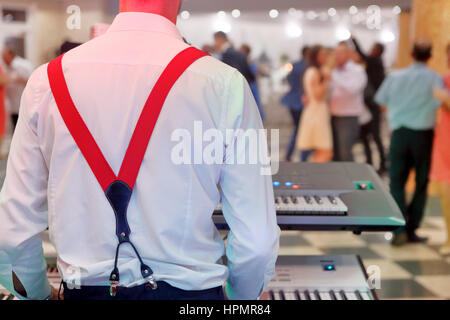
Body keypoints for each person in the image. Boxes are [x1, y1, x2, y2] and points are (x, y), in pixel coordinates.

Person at [0, 0, 279, 300]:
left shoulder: (47, 81)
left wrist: (37, 294)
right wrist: (241, 297)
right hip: (192, 297)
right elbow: (257, 241)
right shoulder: (224, 84)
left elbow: (10, 233)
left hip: (86, 292)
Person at [375, 39, 444, 246]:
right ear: (430, 56)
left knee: (397, 181)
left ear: (411, 54)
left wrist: (397, 114)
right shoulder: (435, 78)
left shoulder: (395, 77)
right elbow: (440, 102)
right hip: (423, 135)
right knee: (421, 182)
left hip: (400, 132)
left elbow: (380, 100)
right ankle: (413, 227)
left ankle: (399, 230)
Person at [351, 36, 387, 174]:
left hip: (373, 105)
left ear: (377, 50)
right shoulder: (373, 64)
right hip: (367, 105)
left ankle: (382, 164)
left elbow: (361, 53)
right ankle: (369, 163)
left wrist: (353, 38)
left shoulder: (375, 61)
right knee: (365, 135)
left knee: (376, 136)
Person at [329, 41, 368, 162]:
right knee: (334, 154)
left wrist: (333, 75)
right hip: (332, 114)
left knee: (345, 153)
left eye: (340, 53)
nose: (337, 56)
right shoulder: (334, 70)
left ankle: (346, 180)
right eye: (336, 53)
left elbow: (352, 89)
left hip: (348, 116)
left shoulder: (357, 70)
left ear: (349, 54)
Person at [296, 45, 333, 162]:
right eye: (322, 55)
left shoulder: (312, 71)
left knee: (321, 149)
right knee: (325, 150)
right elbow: (317, 95)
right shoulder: (315, 72)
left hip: (315, 110)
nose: (325, 57)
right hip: (317, 112)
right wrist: (326, 79)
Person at [430, 43, 450, 255]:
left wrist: (445, 99)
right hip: (445, 137)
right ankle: (449, 238)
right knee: (446, 191)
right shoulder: (443, 79)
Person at [281, 46, 311, 162]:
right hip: (302, 101)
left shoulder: (294, 65)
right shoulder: (308, 67)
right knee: (302, 129)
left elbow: (288, 79)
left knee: (297, 128)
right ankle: (303, 155)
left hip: (291, 100)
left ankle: (289, 153)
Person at [1, 45, 33, 131]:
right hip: (13, 106)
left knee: (25, 130)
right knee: (15, 130)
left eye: (4, 57)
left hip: (23, 103)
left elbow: (32, 81)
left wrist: (20, 80)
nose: (3, 60)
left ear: (11, 55)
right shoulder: (6, 67)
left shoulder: (23, 65)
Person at [240, 44, 264, 120]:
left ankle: (256, 117)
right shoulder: (247, 61)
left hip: (251, 84)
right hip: (250, 83)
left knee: (254, 101)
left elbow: (256, 73)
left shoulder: (249, 61)